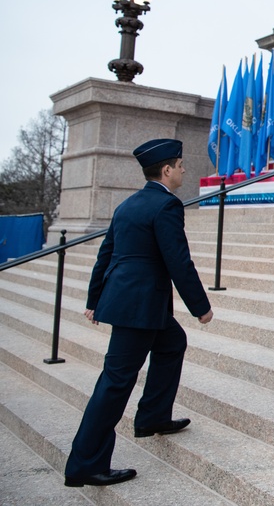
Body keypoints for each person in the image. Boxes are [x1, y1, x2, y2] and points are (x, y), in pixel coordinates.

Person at [65, 139, 213, 488]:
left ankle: (152, 417)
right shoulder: (166, 206)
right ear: (166, 170)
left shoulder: (128, 204)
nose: (183, 170)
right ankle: (84, 464)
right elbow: (178, 260)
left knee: (172, 343)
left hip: (135, 302)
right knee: (115, 383)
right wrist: (201, 307)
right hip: (139, 307)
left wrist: (94, 298)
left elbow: (107, 254)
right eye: (180, 165)